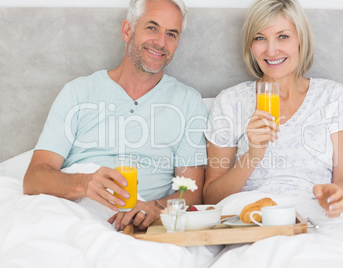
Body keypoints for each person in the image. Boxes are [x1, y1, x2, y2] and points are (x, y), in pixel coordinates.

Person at [23, 0, 207, 231]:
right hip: (73, 214)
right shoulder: (78, 92)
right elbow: (33, 178)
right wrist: (84, 183)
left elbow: (192, 192)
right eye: (152, 27)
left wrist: (155, 207)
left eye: (171, 34)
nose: (161, 42)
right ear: (127, 30)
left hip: (139, 224)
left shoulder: (188, 102)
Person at [203, 0, 343, 218]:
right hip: (251, 220)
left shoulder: (332, 96)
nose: (271, 50)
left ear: (301, 40)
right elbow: (211, 198)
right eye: (260, 38)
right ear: (251, 46)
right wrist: (253, 155)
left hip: (311, 216)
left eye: (283, 36)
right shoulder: (230, 101)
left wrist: (336, 194)